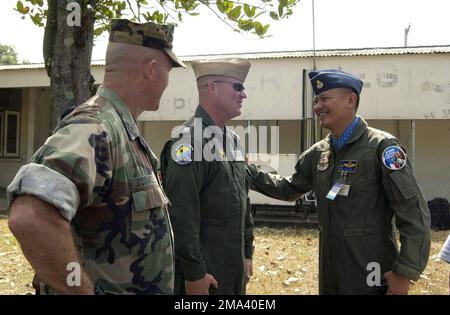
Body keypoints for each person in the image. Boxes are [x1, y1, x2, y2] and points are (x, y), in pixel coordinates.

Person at [7, 19, 186, 295]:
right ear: (151, 70)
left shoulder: (121, 130)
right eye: (167, 72)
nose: (167, 82)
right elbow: (30, 216)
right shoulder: (96, 126)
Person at [247, 69, 431, 295]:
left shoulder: (382, 148)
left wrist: (404, 271)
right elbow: (289, 189)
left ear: (350, 100)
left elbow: (413, 212)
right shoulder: (319, 153)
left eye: (325, 99)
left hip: (371, 271)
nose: (317, 107)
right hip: (332, 271)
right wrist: (246, 171)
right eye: (315, 100)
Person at [160, 58, 254, 295]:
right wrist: (194, 273)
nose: (244, 95)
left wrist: (246, 252)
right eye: (238, 87)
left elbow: (242, 202)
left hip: (232, 269)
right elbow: (181, 213)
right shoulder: (188, 143)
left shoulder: (232, 141)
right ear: (212, 87)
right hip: (206, 275)